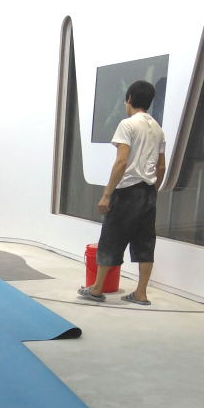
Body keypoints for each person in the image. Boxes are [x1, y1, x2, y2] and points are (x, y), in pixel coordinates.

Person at [78, 79, 166, 305]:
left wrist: (107, 194)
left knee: (110, 239)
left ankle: (96, 289)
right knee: (145, 243)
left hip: (127, 192)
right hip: (148, 193)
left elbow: (121, 162)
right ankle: (141, 293)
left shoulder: (127, 125)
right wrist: (152, 190)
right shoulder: (158, 129)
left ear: (129, 99)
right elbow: (161, 167)